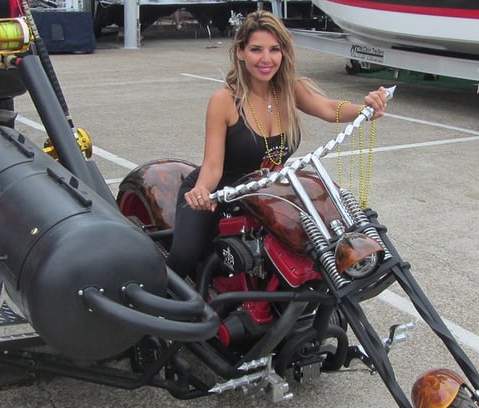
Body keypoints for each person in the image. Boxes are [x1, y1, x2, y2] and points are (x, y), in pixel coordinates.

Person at [166, 10, 389, 278]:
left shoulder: (288, 90)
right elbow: (213, 167)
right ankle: (166, 307)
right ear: (240, 52)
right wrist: (201, 192)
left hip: (265, 194)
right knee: (185, 256)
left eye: (274, 49)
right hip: (221, 194)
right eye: (256, 49)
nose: (266, 59)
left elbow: (329, 109)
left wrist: (365, 108)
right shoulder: (224, 101)